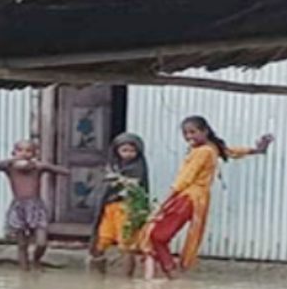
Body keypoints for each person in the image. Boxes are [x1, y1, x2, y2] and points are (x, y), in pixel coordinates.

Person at [144, 116, 273, 279]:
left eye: (193, 132)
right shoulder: (211, 147)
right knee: (159, 235)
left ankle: (172, 274)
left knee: (157, 236)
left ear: (205, 131)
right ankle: (170, 273)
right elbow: (231, 152)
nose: (189, 137)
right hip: (196, 199)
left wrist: (163, 204)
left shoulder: (203, 151)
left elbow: (184, 179)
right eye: (185, 133)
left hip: (189, 198)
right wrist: (255, 150)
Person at [0, 140, 69, 270]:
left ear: (34, 154)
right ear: (14, 153)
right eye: (20, 151)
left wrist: (42, 165)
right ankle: (24, 272)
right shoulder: (10, 167)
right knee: (22, 244)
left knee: (41, 242)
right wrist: (11, 161)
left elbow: (64, 171)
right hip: (18, 208)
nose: (24, 154)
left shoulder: (37, 168)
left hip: (36, 207)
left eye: (28, 151)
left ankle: (36, 260)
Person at [89, 132, 150, 276]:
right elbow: (104, 187)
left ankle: (126, 281)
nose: (128, 154)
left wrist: (120, 180)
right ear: (116, 151)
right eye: (124, 150)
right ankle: (97, 279)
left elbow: (136, 187)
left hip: (127, 209)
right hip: (109, 209)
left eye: (132, 151)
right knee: (101, 241)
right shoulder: (111, 167)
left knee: (127, 245)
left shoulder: (138, 168)